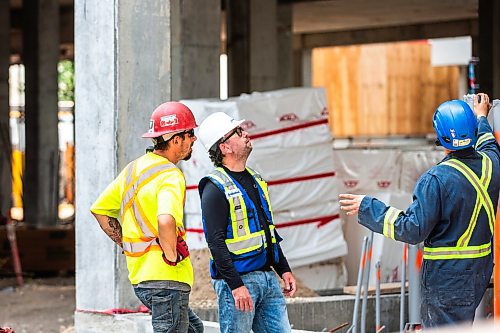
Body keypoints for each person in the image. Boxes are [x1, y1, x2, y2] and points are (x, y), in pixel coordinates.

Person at [339, 93, 500, 328]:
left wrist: (367, 207)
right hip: (479, 273)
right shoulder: (491, 165)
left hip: (447, 280)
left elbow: (411, 229)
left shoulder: (436, 179)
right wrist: (482, 116)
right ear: (473, 131)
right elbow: (488, 143)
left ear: (440, 135)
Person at [90, 102, 204, 333]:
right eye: (190, 134)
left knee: (195, 329)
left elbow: (100, 210)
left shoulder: (133, 169)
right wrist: (171, 256)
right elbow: (166, 220)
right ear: (175, 139)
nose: (194, 139)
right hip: (166, 278)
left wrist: (126, 242)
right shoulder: (171, 175)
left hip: (142, 277)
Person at [197, 112, 297, 333]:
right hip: (239, 283)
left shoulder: (256, 180)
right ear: (225, 147)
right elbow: (215, 242)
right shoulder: (214, 188)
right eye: (238, 132)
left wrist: (283, 269)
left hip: (268, 278)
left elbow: (267, 230)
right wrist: (235, 285)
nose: (246, 134)